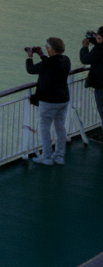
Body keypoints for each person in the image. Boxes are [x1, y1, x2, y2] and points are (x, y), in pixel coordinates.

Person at [26, 37, 72, 166]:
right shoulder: (65, 60)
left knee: (44, 127)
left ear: (51, 49)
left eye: (47, 47)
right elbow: (50, 63)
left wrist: (30, 56)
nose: (46, 48)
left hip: (49, 100)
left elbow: (31, 69)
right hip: (63, 99)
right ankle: (59, 156)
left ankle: (46, 157)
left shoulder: (49, 63)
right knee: (60, 127)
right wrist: (41, 55)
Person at [81, 31, 103, 141]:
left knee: (102, 110)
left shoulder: (99, 49)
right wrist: (95, 40)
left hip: (100, 85)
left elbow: (85, 59)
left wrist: (85, 47)